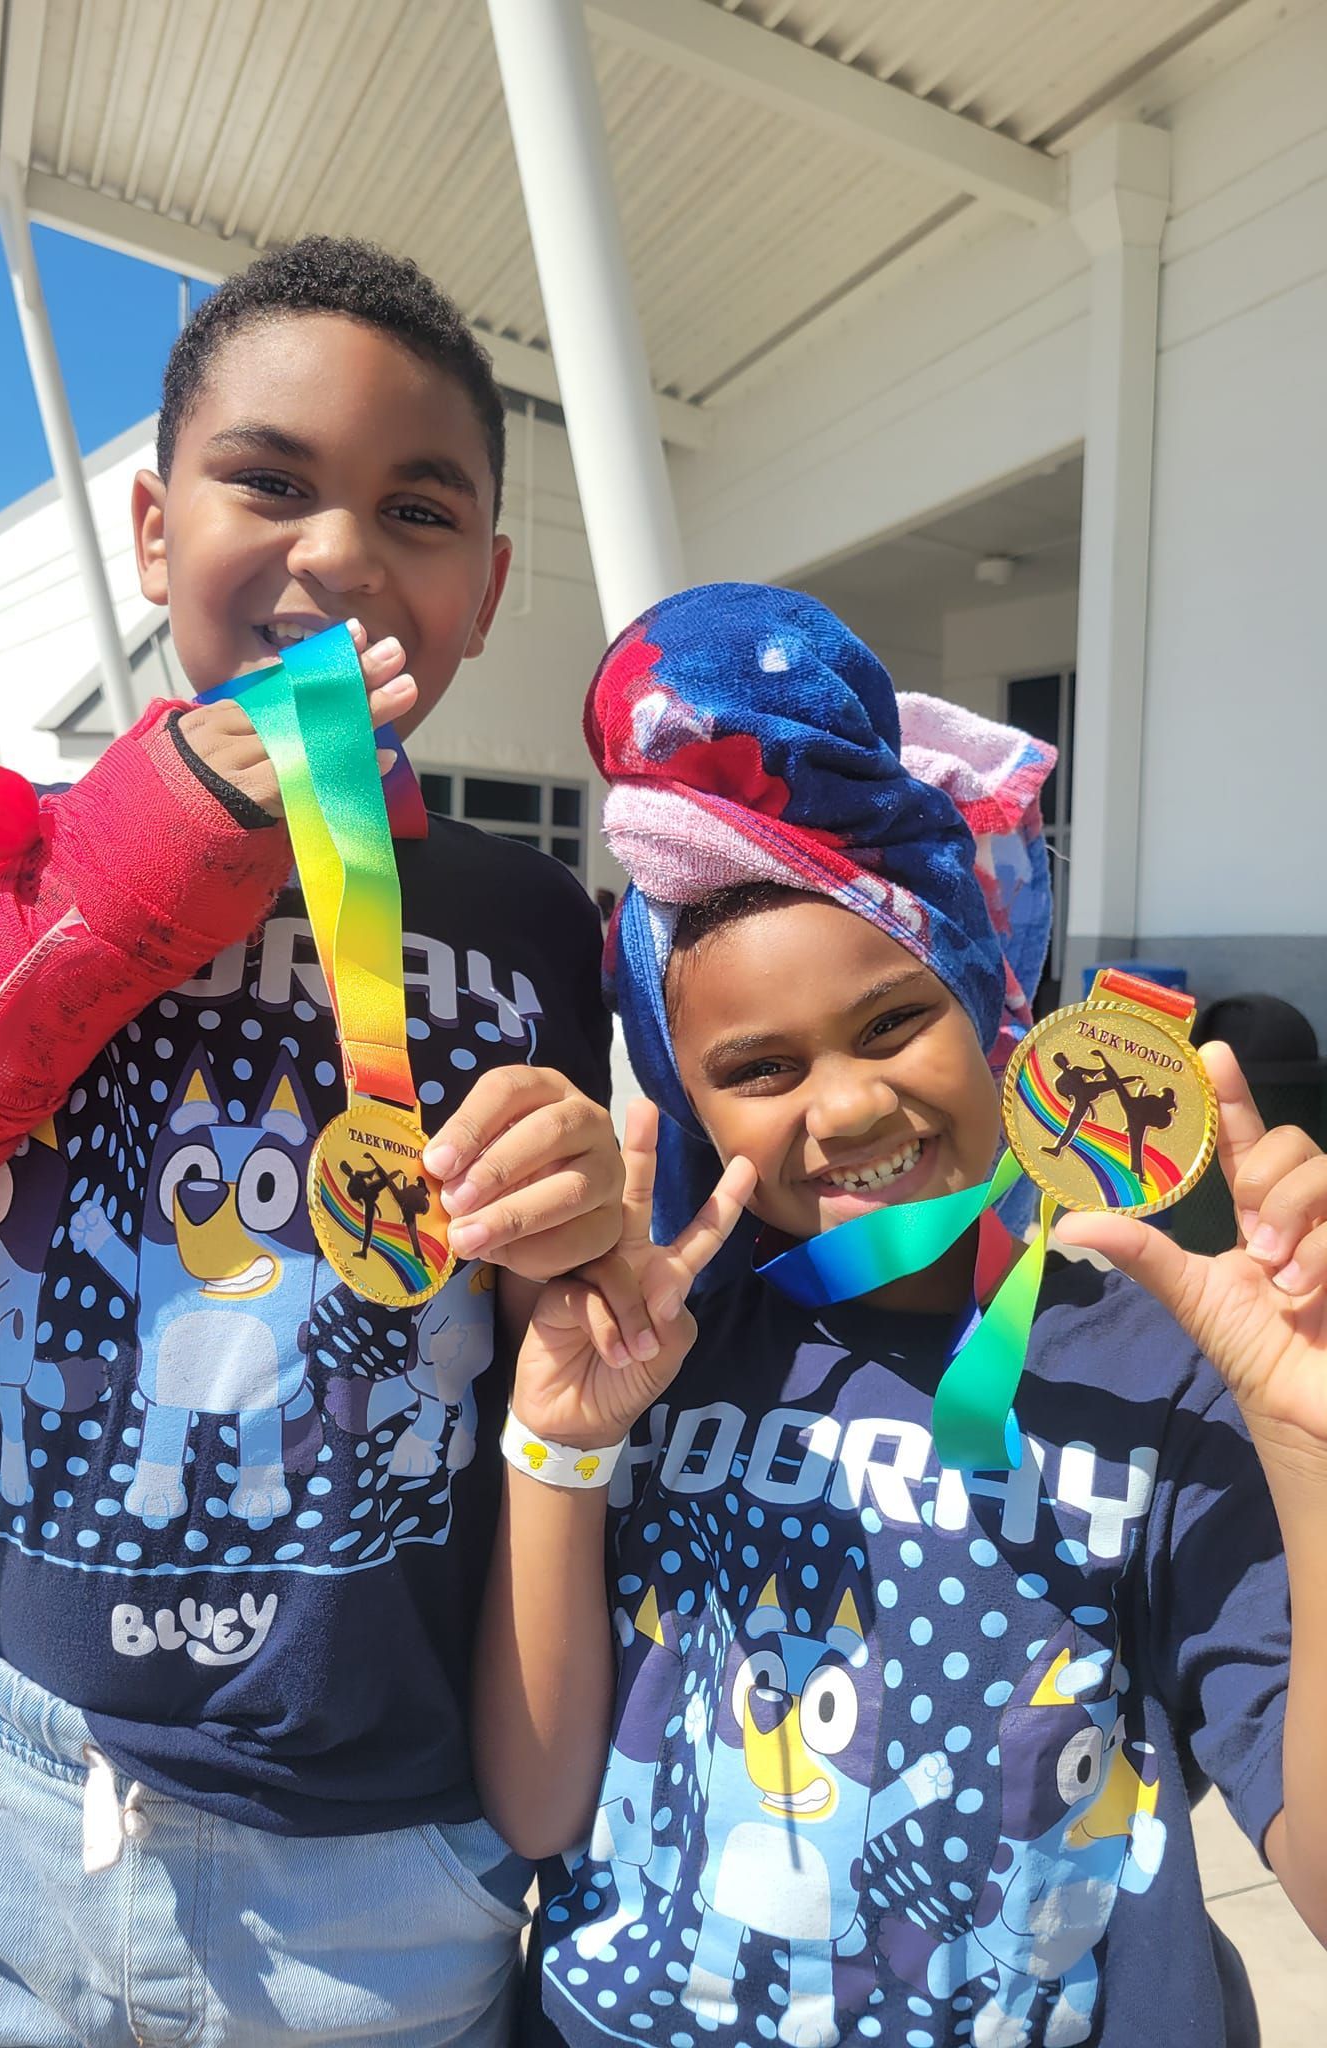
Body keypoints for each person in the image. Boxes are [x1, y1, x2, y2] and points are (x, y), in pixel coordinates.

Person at [0, 238, 641, 2047]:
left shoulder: (543, 931)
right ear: (154, 529)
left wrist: (592, 1199)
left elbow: (649, 1310)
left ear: (485, 590)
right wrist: (110, 884)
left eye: (415, 508)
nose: (337, 552)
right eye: (266, 481)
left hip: (382, 1877)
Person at [474, 583, 1327, 2048]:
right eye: (759, 1066)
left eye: (892, 1021)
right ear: (689, 1103)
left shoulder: (1154, 1381)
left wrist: (1308, 1446)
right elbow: (540, 1799)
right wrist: (553, 1447)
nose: (852, 1102)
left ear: (988, 996)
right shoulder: (659, 1357)